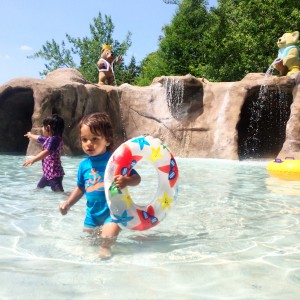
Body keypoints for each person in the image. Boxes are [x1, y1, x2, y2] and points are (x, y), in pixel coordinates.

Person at [59, 112, 141, 258]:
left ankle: (106, 250)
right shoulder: (84, 165)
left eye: (94, 139)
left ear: (107, 141)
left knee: (106, 241)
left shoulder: (116, 161)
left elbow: (137, 178)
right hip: (92, 215)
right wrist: (68, 203)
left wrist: (126, 181)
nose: (89, 143)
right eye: (84, 139)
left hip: (113, 212)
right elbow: (80, 187)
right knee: (87, 245)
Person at [23, 114, 65, 192]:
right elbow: (39, 138)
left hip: (54, 174)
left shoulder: (55, 140)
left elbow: (46, 152)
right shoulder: (50, 139)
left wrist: (32, 160)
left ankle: (70, 197)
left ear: (48, 127)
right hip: (47, 174)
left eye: (43, 126)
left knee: (60, 193)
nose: (42, 128)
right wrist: (31, 135)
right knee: (38, 188)